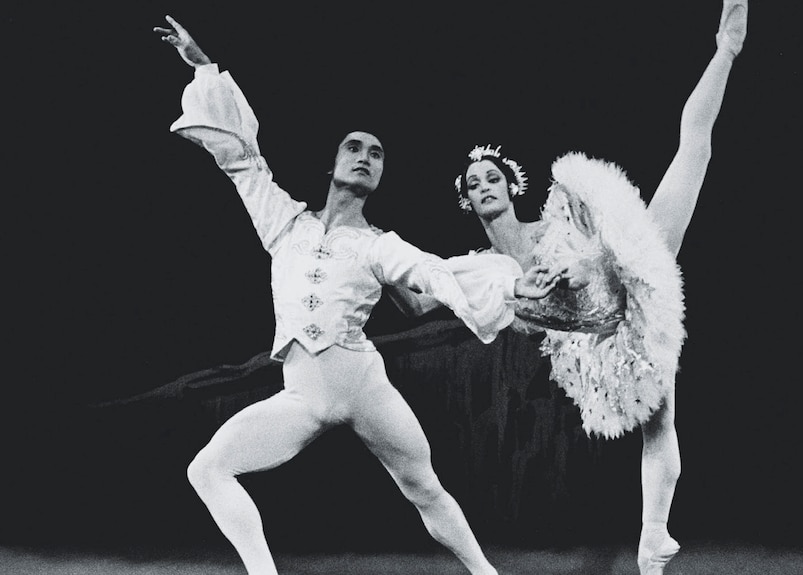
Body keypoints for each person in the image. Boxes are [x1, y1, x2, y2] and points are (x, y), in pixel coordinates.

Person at [153, 15, 563, 575]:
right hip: (301, 398)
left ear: (379, 177)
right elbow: (242, 161)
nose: (366, 155)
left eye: (377, 153)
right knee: (207, 469)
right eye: (355, 147)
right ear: (334, 164)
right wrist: (205, 67)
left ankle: (485, 573)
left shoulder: (378, 245)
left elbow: (431, 273)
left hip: (366, 388)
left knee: (424, 488)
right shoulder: (284, 223)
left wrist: (513, 283)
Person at [451, 2, 748, 574]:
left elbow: (597, 246)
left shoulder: (549, 222)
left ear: (510, 187)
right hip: (599, 337)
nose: (486, 186)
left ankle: (726, 47)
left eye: (493, 178)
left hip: (627, 278)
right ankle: (652, 546)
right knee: (658, 424)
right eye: (474, 184)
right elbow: (492, 310)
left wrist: (580, 270)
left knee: (694, 151)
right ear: (467, 201)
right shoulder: (482, 266)